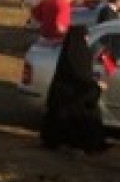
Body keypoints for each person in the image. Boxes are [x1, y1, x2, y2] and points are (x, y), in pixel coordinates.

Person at [40, 25, 107, 153]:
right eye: (86, 36)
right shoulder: (82, 54)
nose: (87, 39)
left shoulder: (68, 53)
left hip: (63, 97)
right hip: (76, 98)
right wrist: (97, 86)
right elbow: (83, 79)